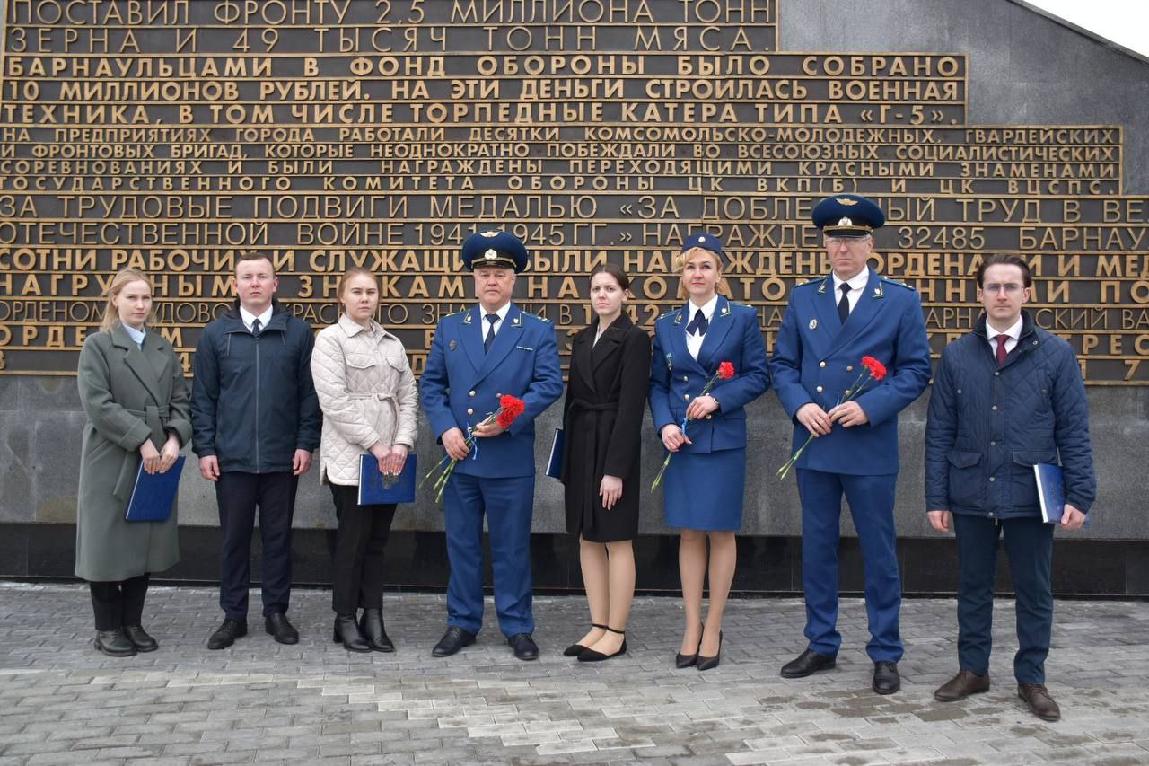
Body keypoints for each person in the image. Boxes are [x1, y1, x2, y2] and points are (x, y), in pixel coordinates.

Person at [769, 194, 931, 694]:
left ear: (870, 244)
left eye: (854, 239)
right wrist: (799, 405)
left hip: (868, 446)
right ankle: (821, 642)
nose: (843, 247)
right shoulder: (803, 298)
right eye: (835, 239)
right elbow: (782, 365)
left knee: (878, 551)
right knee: (818, 548)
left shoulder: (899, 300)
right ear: (824, 244)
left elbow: (915, 370)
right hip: (815, 443)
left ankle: (885, 651)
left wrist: (871, 405)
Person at [925, 254, 1095, 722]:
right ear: (979, 294)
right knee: (972, 586)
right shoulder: (957, 355)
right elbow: (939, 430)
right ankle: (973, 670)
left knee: (1034, 588)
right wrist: (936, 497)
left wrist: (1080, 495)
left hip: (1031, 491)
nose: (1001, 295)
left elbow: (1074, 429)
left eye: (1010, 287)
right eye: (993, 287)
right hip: (971, 489)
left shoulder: (1056, 354)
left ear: (1027, 294)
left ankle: (1031, 677)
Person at [420, 230, 564, 660]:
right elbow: (432, 386)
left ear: (513, 279)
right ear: (473, 279)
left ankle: (517, 626)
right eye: (483, 273)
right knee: (461, 545)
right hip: (461, 455)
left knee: (512, 547)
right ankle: (462, 622)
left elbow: (549, 384)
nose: (491, 281)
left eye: (499, 273)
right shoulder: (451, 327)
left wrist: (508, 418)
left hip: (508, 457)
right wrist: (445, 428)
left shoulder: (536, 330)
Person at [649, 233, 770, 671]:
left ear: (720, 274)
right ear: (681, 277)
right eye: (689, 267)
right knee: (687, 532)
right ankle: (690, 625)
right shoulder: (665, 325)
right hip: (681, 440)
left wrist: (719, 399)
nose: (697, 274)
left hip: (722, 440)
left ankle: (714, 626)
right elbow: (657, 385)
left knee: (719, 531)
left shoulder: (741, 319)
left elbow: (759, 376)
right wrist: (664, 423)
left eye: (705, 266)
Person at [191, 251, 321, 649]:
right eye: (246, 276)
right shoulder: (216, 335)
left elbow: (308, 396)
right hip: (232, 460)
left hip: (283, 458)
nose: (254, 283)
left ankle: (276, 612)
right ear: (235, 285)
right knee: (233, 539)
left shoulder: (297, 333)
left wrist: (304, 443)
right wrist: (205, 449)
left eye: (262, 276)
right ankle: (233, 616)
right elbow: (203, 398)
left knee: (278, 538)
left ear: (274, 283)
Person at [75, 268, 191, 656]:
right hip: (112, 455)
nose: (140, 305)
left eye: (145, 298)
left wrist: (175, 437)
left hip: (159, 456)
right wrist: (141, 439)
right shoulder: (98, 345)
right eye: (132, 298)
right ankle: (107, 628)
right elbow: (98, 404)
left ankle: (133, 622)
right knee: (108, 543)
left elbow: (180, 400)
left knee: (145, 541)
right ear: (115, 301)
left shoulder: (162, 347)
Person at [311, 268, 418, 653]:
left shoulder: (392, 344)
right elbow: (334, 402)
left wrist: (403, 443)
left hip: (389, 460)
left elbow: (408, 397)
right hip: (352, 458)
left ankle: (373, 615)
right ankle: (344, 618)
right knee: (352, 541)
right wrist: (375, 444)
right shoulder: (330, 341)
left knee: (377, 542)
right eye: (356, 291)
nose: (364, 298)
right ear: (342, 297)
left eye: (371, 292)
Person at [560, 264, 652, 662]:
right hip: (582, 446)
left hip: (613, 445)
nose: (602, 295)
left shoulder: (634, 339)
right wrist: (565, 458)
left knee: (616, 538)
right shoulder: (582, 339)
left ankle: (617, 630)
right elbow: (572, 402)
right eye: (596, 288)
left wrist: (616, 470)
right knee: (586, 536)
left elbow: (631, 408)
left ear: (625, 295)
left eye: (610, 288)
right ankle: (597, 624)